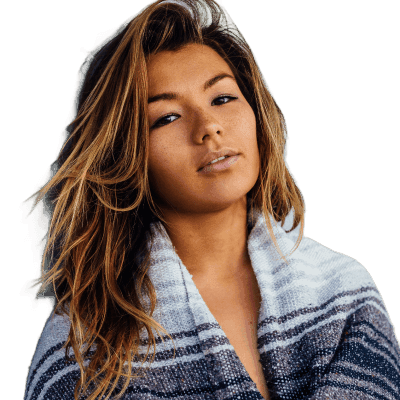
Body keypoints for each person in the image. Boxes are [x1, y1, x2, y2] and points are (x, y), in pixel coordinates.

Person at [22, 0, 400, 399]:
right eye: (166, 117)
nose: (209, 128)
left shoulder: (343, 294)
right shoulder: (80, 348)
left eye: (221, 98)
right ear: (125, 154)